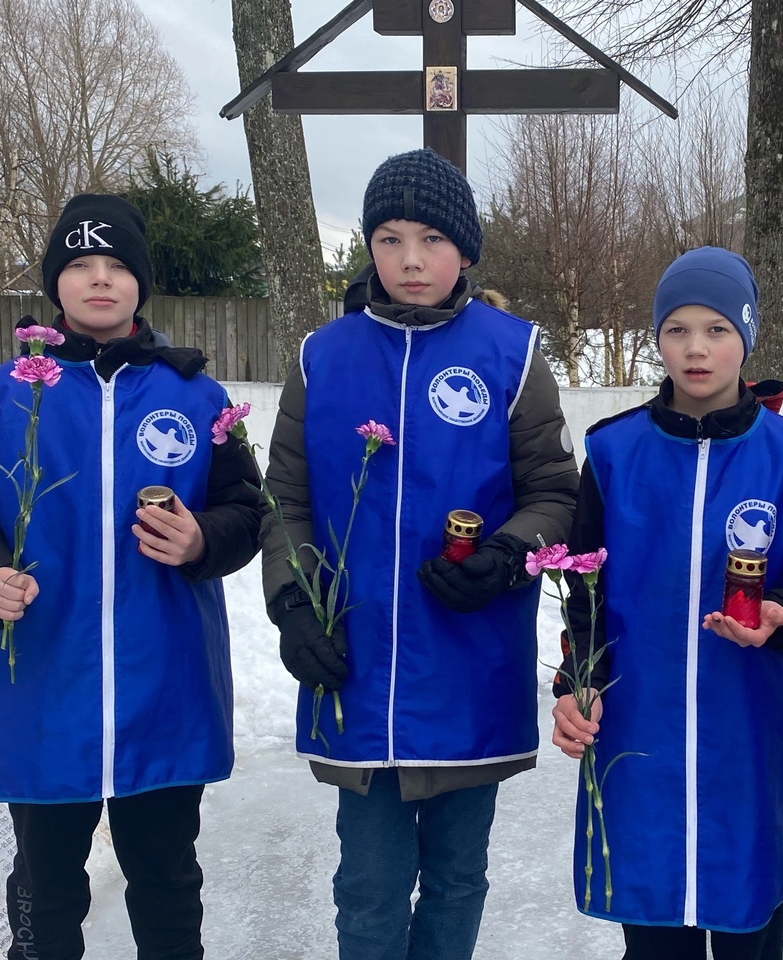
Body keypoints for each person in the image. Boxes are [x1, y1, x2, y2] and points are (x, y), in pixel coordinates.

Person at [0, 193, 264, 960]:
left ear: (142, 284)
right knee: (46, 890)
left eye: (118, 266)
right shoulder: (3, 394)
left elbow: (251, 510)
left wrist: (201, 537)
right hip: (43, 687)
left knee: (168, 880)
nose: (100, 280)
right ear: (56, 285)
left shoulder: (196, 397)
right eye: (81, 265)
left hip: (164, 688)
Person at [261, 147, 578, 960]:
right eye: (390, 237)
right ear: (367, 245)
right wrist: (294, 604)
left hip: (468, 668)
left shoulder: (512, 353)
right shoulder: (320, 357)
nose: (410, 259)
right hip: (355, 673)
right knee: (367, 886)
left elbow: (555, 492)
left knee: (456, 877)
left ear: (464, 250)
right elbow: (285, 500)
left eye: (431, 239)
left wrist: (508, 556)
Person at [550, 247, 783, 960]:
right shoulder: (615, 453)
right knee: (654, 931)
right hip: (640, 737)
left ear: (746, 337)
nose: (695, 348)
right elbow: (581, 591)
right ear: (656, 338)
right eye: (677, 329)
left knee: (748, 923)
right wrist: (575, 685)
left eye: (717, 329)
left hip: (747, 742)